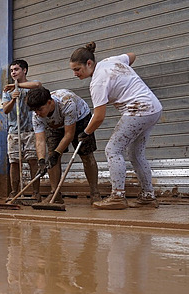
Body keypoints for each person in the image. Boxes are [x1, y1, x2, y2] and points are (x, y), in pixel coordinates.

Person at [70, 42, 163, 210]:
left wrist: (86, 132)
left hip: (138, 110)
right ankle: (148, 196)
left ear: (89, 63)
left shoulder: (97, 82)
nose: (75, 73)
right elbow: (132, 55)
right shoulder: (111, 60)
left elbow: (99, 117)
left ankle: (118, 196)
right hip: (153, 108)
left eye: (77, 69)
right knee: (135, 153)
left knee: (112, 150)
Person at [26, 87, 101, 204]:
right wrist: (41, 160)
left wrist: (57, 153)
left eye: (40, 109)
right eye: (35, 110)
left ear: (49, 102)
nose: (37, 113)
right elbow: (40, 140)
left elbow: (69, 134)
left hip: (80, 118)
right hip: (54, 124)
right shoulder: (37, 114)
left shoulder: (67, 103)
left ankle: (95, 192)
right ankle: (55, 193)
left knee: (86, 155)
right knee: (51, 157)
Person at [2, 59, 42, 201]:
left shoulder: (30, 86)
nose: (13, 72)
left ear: (24, 70)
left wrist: (16, 85)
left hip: (31, 130)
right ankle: (14, 192)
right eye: (12, 70)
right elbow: (6, 110)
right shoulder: (7, 91)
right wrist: (13, 99)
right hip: (14, 131)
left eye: (16, 69)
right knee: (14, 162)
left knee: (32, 160)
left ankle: (36, 192)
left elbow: (38, 84)